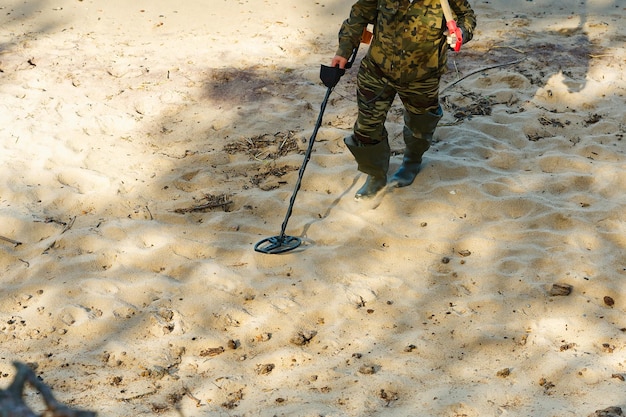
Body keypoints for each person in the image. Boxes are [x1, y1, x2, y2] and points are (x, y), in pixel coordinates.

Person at [331, 0, 476, 200]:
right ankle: (375, 174)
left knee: (421, 123)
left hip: (423, 75)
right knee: (366, 127)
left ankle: (412, 161)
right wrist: (343, 51)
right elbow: (359, 16)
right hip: (377, 71)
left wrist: (461, 33)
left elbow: (467, 17)